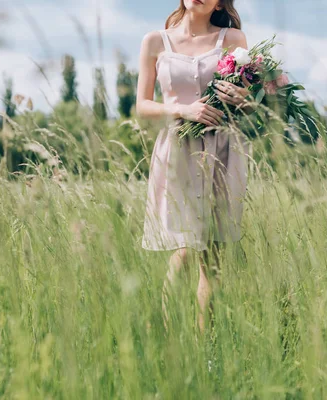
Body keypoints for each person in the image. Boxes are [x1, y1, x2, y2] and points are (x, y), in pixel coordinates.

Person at [135, 0, 253, 335]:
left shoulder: (233, 39)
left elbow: (247, 101)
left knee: (213, 256)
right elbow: (143, 105)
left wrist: (240, 98)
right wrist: (184, 110)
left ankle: (205, 350)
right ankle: (167, 339)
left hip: (222, 149)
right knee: (185, 249)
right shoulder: (155, 41)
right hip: (179, 150)